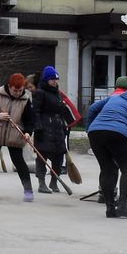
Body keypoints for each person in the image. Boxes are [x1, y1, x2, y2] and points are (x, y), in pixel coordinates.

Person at [84, 79, 127, 218]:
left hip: (95, 133)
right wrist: (126, 153)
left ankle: (110, 208)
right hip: (117, 134)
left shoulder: (115, 98)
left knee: (108, 169)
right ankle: (122, 206)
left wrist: (89, 128)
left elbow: (92, 108)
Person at [0, 72, 39, 201]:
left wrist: (28, 132)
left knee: (19, 161)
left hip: (15, 134)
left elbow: (30, 119)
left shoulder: (26, 99)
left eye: (20, 90)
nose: (18, 93)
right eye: (15, 90)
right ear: (9, 86)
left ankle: (28, 190)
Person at [31, 66, 75, 194]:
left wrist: (68, 121)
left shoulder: (57, 93)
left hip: (57, 127)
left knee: (59, 155)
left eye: (56, 79)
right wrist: (37, 126)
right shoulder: (39, 92)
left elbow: (61, 109)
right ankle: (41, 183)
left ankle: (54, 181)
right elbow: (36, 110)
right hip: (44, 127)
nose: (55, 82)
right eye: (52, 79)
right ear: (46, 80)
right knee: (42, 155)